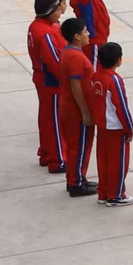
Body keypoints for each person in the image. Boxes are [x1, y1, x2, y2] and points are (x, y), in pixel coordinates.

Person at [87, 42, 133, 206]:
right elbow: (121, 106)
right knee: (119, 162)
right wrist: (129, 129)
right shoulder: (114, 80)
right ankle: (116, 195)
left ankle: (104, 192)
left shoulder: (95, 76)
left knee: (104, 160)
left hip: (102, 126)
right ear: (119, 60)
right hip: (116, 128)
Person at [53, 18, 96, 197]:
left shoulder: (68, 52)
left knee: (75, 145)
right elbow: (76, 85)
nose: (89, 35)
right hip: (75, 109)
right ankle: (76, 183)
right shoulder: (76, 57)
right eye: (85, 31)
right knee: (79, 146)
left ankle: (78, 177)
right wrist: (85, 111)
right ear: (77, 36)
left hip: (69, 106)